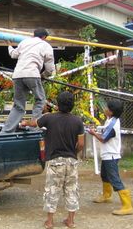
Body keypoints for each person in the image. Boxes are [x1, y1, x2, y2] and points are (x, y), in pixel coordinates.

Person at [21, 91, 84, 229]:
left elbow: (33, 124)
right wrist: (73, 152)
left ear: (57, 104)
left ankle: (49, 222)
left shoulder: (49, 118)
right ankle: (70, 221)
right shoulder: (77, 121)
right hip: (71, 161)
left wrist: (25, 122)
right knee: (71, 190)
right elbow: (81, 144)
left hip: (55, 161)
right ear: (72, 105)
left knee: (52, 190)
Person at [0, 28, 55, 133]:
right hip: (32, 74)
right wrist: (43, 75)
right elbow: (50, 69)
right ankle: (33, 128)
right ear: (44, 37)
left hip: (17, 75)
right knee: (40, 100)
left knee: (18, 105)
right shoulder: (46, 45)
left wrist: (9, 45)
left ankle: (6, 131)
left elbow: (13, 54)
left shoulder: (24, 42)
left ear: (33, 35)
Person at [88, 99, 133, 215]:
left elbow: (103, 139)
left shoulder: (113, 124)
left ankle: (127, 206)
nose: (105, 109)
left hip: (111, 155)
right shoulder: (111, 119)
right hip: (107, 155)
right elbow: (104, 131)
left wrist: (93, 133)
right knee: (105, 175)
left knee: (115, 180)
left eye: (107, 108)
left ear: (112, 112)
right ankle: (106, 195)